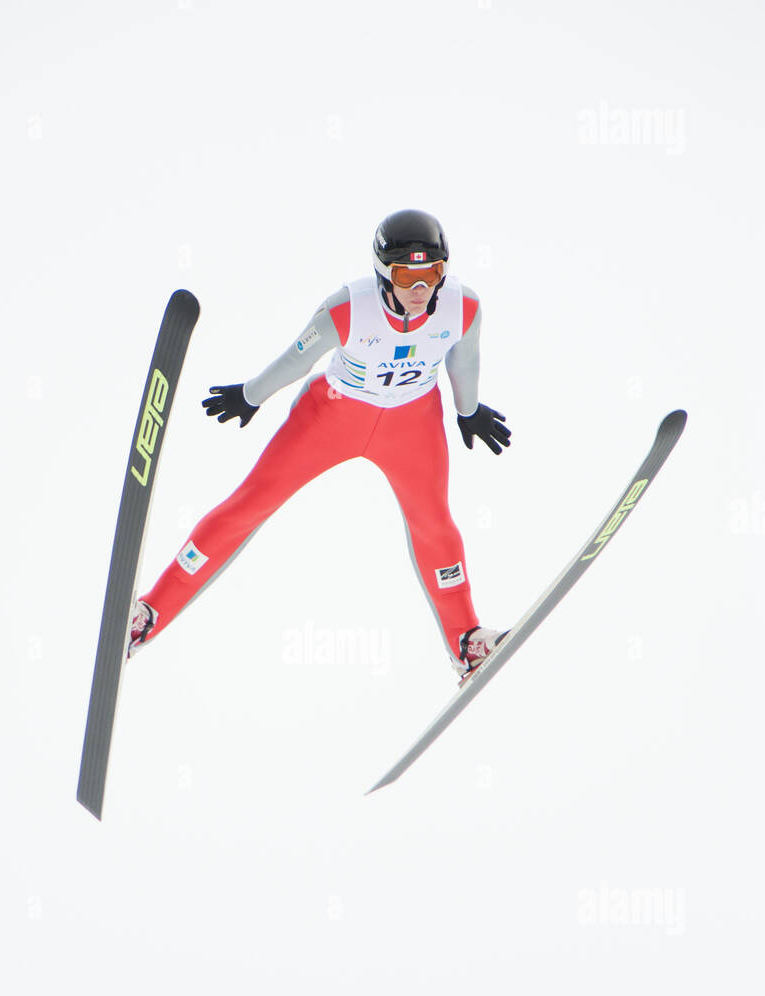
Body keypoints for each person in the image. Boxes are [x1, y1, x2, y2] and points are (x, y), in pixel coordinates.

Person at [128, 208, 511, 680]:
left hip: (412, 423)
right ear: (382, 273)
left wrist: (467, 409)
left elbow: (464, 359)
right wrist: (252, 396)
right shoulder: (348, 308)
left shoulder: (463, 306)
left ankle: (466, 640)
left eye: (431, 273)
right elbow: (298, 358)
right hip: (332, 415)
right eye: (406, 274)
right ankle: (149, 613)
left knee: (435, 524)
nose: (420, 289)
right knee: (249, 505)